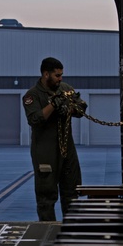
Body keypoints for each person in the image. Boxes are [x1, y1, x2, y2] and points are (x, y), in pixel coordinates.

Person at [22, 57, 88, 221]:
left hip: (67, 149)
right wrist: (53, 105)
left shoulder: (65, 89)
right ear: (46, 74)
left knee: (71, 193)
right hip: (45, 151)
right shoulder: (32, 95)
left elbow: (81, 108)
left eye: (61, 75)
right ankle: (47, 231)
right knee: (46, 197)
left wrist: (69, 108)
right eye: (57, 75)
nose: (60, 79)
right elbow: (35, 119)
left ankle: (70, 232)